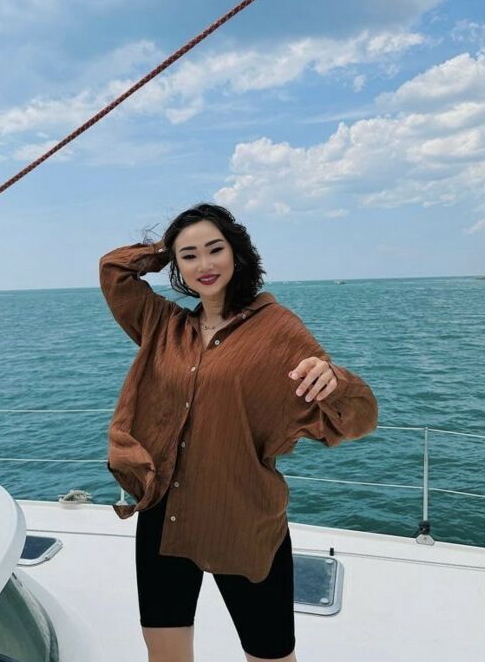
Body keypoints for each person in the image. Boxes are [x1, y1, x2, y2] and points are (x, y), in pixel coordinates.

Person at [99, 202, 378, 662]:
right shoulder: (164, 326)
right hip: (163, 515)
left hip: (243, 521)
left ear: (237, 252)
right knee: (165, 655)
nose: (204, 264)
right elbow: (114, 270)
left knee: (270, 656)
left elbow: (361, 417)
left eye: (215, 249)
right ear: (176, 264)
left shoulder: (277, 329)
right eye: (189, 256)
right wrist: (165, 247)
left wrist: (334, 380)